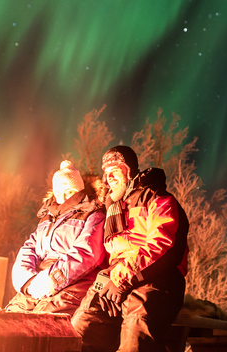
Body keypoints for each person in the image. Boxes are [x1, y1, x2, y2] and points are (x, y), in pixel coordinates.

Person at [71, 145, 189, 352]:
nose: (108, 179)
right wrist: (109, 278)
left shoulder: (158, 199)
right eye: (106, 174)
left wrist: (121, 280)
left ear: (129, 171)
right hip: (118, 279)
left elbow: (163, 246)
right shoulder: (114, 210)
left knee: (136, 326)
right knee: (83, 324)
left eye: (114, 172)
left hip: (158, 279)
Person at [7, 160, 106, 315]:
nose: (63, 198)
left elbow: (86, 253)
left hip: (71, 285)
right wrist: (27, 280)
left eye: (69, 192)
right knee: (9, 318)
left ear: (79, 191)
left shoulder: (92, 214)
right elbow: (29, 248)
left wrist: (50, 281)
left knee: (40, 323)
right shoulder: (48, 217)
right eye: (58, 193)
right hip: (36, 281)